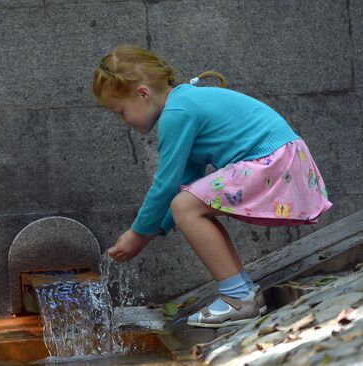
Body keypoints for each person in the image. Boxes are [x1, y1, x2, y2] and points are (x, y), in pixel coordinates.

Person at [92, 45, 333, 328]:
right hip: (281, 157)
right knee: (189, 205)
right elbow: (187, 184)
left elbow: (165, 185)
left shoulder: (177, 113)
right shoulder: (182, 104)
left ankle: (237, 298)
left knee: (186, 206)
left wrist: (136, 233)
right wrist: (152, 231)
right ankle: (244, 292)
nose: (124, 121)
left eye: (121, 111)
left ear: (143, 94)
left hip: (273, 160)